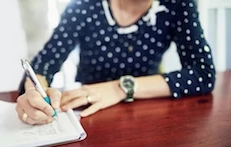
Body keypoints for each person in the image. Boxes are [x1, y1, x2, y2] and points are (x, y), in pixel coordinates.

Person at [16, 0, 216, 125]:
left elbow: (203, 74)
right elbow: (42, 65)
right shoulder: (84, 6)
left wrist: (120, 88)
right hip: (89, 116)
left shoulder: (178, 5)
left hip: (147, 116)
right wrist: (34, 93)